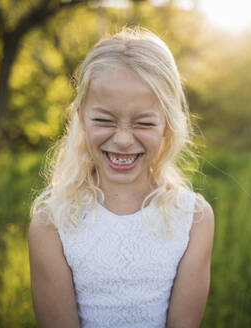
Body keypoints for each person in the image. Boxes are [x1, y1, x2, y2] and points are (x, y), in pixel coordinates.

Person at [28, 26, 214, 328]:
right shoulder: (51, 225)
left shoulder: (193, 219)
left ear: (166, 125)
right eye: (104, 120)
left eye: (143, 122)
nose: (124, 139)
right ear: (80, 119)